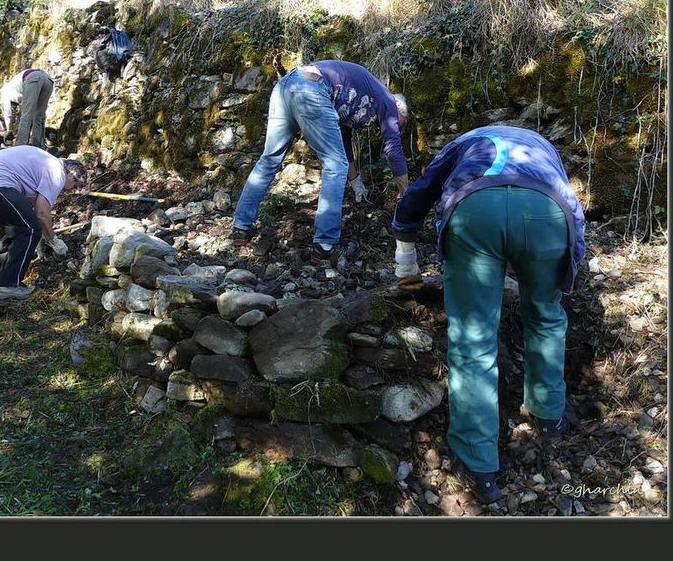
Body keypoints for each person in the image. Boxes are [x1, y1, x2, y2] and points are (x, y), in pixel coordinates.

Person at [391, 125, 586, 504]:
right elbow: (573, 209)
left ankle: (478, 464)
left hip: (475, 209)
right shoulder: (543, 148)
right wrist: (571, 267)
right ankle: (550, 421)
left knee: (473, 339)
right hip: (549, 212)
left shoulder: (463, 143)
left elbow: (416, 197)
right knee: (545, 316)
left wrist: (406, 259)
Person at [231, 59, 410, 261]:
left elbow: (343, 139)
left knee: (269, 159)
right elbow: (393, 149)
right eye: (398, 123)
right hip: (311, 88)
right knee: (334, 166)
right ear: (397, 107)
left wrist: (355, 180)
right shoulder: (387, 100)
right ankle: (326, 244)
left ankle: (241, 228)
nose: (391, 126)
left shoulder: (357, 98)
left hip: (286, 86)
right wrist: (406, 193)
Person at [0, 147, 87, 300]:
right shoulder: (57, 173)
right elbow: (41, 213)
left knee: (13, 222)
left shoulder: (46, 164)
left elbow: (30, 208)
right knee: (30, 230)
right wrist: (52, 239)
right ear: (71, 174)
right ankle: (9, 285)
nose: (72, 191)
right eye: (75, 185)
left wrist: (45, 235)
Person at [0, 68, 54, 148]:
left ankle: (20, 146)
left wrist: (9, 130)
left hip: (33, 79)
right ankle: (38, 147)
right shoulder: (14, 87)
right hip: (48, 80)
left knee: (27, 115)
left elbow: (8, 113)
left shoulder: (5, 92)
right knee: (39, 117)